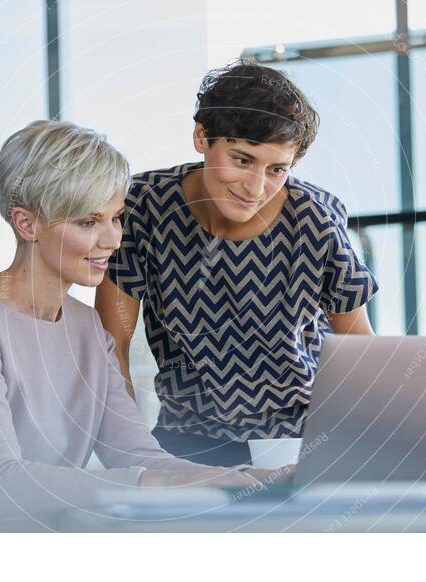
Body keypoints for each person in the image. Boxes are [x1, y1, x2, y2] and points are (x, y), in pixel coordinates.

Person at [0, 120, 268, 533]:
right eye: (88, 222)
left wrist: (242, 478)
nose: (112, 239)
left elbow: (137, 456)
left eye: (116, 217)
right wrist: (151, 482)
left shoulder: (87, 328)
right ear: (27, 224)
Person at [95, 61, 380, 467]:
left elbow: (358, 351)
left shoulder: (315, 217)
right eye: (242, 160)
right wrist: (129, 454)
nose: (256, 188)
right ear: (201, 137)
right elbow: (112, 347)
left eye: (277, 169)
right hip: (185, 440)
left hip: (302, 441)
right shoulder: (144, 206)